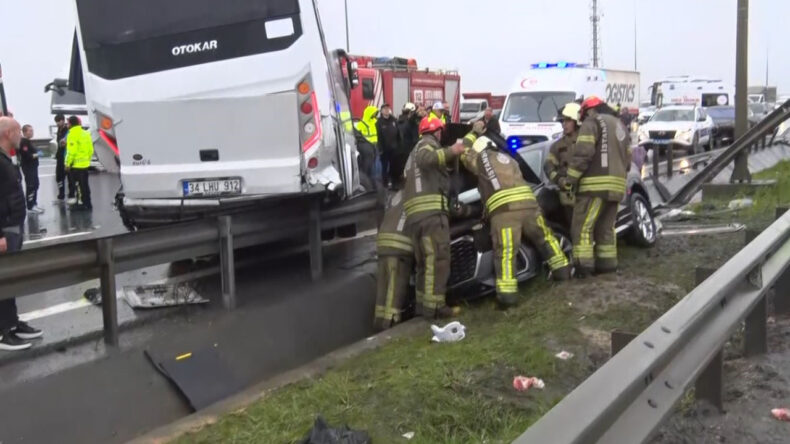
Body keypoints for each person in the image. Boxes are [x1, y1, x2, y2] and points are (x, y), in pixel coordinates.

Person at [461, 135, 570, 307]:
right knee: (546, 239)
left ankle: (507, 298)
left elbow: (465, 154)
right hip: (530, 206)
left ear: (479, 150)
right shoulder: (508, 158)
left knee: (505, 253)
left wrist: (471, 134)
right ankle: (563, 273)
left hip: (505, 213)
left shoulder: (481, 159)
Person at [402, 117, 465, 319]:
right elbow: (427, 159)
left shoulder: (412, 153)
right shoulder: (426, 144)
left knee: (424, 264)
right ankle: (436, 307)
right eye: (440, 132)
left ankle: (423, 306)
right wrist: (452, 151)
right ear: (437, 132)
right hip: (431, 215)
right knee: (438, 259)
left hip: (415, 217)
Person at [566, 96, 631, 277]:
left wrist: (570, 180)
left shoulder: (592, 121)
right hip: (617, 186)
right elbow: (628, 160)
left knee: (582, 227)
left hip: (594, 187)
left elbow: (583, 154)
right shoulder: (620, 125)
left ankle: (583, 268)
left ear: (589, 110)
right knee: (606, 229)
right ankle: (607, 266)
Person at [0, 116, 43, 350]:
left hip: (13, 228)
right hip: (5, 231)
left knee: (10, 279)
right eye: (18, 131)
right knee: (3, 279)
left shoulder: (6, 158)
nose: (21, 136)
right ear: (8, 134)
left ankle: (11, 322)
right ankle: (2, 332)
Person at [373, 191, 413, 331]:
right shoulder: (414, 195)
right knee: (395, 288)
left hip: (383, 245)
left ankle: (378, 322)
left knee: (382, 287)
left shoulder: (397, 195)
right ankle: (390, 324)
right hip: (399, 247)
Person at [545, 103, 581, 226]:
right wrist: (559, 180)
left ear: (576, 121)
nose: (564, 124)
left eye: (568, 120)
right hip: (568, 199)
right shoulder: (557, 146)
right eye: (562, 121)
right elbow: (548, 166)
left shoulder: (587, 141)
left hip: (586, 196)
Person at [65, 115, 94, 211]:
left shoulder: (72, 134)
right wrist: (87, 160)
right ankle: (88, 203)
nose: (67, 125)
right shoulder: (85, 133)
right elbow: (91, 150)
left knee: (78, 186)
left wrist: (68, 163)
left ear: (70, 124)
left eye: (68, 123)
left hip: (76, 165)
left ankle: (82, 203)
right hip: (85, 164)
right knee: (85, 185)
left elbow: (71, 151)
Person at [394, 102, 419, 188]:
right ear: (410, 112)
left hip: (400, 150)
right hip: (409, 149)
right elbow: (414, 137)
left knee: (401, 168)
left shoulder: (397, 121)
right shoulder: (410, 123)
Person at [19, 124, 43, 214]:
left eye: (32, 130)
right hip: (28, 167)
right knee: (31, 185)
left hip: (33, 167)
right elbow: (27, 156)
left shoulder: (29, 142)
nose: (32, 132)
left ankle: (34, 203)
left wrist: (37, 151)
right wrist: (37, 154)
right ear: (25, 132)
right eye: (30, 131)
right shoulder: (23, 142)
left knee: (36, 184)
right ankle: (30, 206)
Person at [376, 103, 400, 188]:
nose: (387, 110)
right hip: (384, 149)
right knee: (385, 167)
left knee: (394, 167)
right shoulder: (379, 122)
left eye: (388, 108)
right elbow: (378, 136)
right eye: (385, 109)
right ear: (381, 111)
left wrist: (399, 145)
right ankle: (385, 184)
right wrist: (380, 148)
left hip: (394, 148)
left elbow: (398, 134)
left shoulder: (394, 120)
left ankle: (394, 183)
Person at [54, 114, 75, 202]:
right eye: (56, 122)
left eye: (58, 121)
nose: (57, 123)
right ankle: (61, 194)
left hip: (67, 156)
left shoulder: (68, 130)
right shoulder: (59, 130)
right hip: (60, 156)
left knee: (70, 177)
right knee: (59, 176)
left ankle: (71, 195)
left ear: (63, 120)